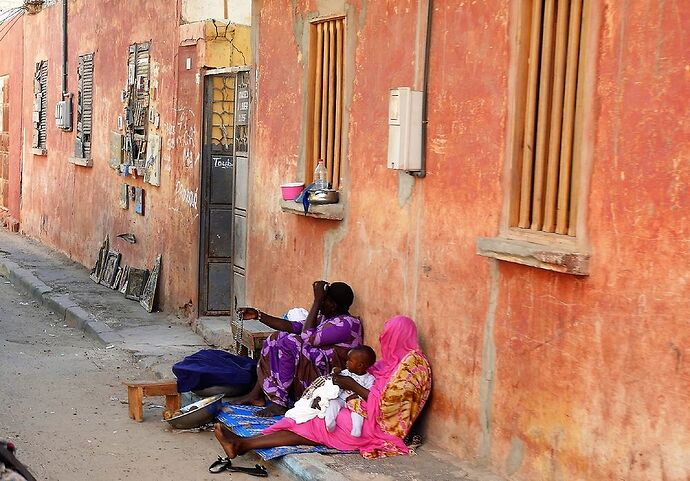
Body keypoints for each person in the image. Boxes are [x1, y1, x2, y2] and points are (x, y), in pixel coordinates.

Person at [215, 315, 432, 459]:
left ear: (399, 336)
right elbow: (369, 379)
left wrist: (351, 385)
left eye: (388, 334)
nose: (382, 337)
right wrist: (345, 381)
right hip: (360, 408)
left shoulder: (413, 367)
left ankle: (245, 444)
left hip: (378, 426)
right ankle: (245, 443)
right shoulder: (393, 362)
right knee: (312, 411)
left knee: (317, 423)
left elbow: (387, 407)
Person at [233, 280, 363, 417]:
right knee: (275, 338)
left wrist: (316, 301)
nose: (321, 304)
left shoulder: (347, 324)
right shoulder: (327, 318)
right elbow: (293, 327)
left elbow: (306, 336)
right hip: (315, 366)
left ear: (333, 305)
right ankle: (256, 395)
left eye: (324, 300)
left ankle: (279, 403)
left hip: (330, 374)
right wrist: (258, 315)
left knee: (290, 342)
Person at [285, 345, 377, 437]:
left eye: (350, 361)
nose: (346, 362)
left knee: (358, 413)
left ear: (360, 365)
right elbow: (334, 378)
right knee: (332, 405)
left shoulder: (369, 379)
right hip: (340, 398)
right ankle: (330, 423)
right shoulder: (346, 372)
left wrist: (357, 396)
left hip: (354, 401)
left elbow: (369, 392)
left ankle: (356, 430)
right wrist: (335, 371)